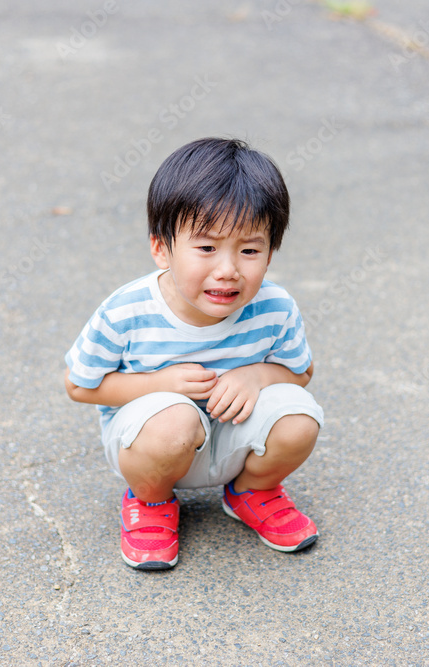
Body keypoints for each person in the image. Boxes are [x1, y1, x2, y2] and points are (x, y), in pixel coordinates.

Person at [64, 137, 324, 570]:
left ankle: (252, 491)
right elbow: (78, 385)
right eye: (206, 248)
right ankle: (150, 501)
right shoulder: (128, 311)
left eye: (249, 250)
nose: (228, 269)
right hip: (153, 444)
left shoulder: (274, 307)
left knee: (300, 418)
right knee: (173, 422)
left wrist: (257, 375)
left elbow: (301, 372)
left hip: (233, 436)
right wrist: (157, 384)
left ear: (270, 253)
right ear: (161, 248)